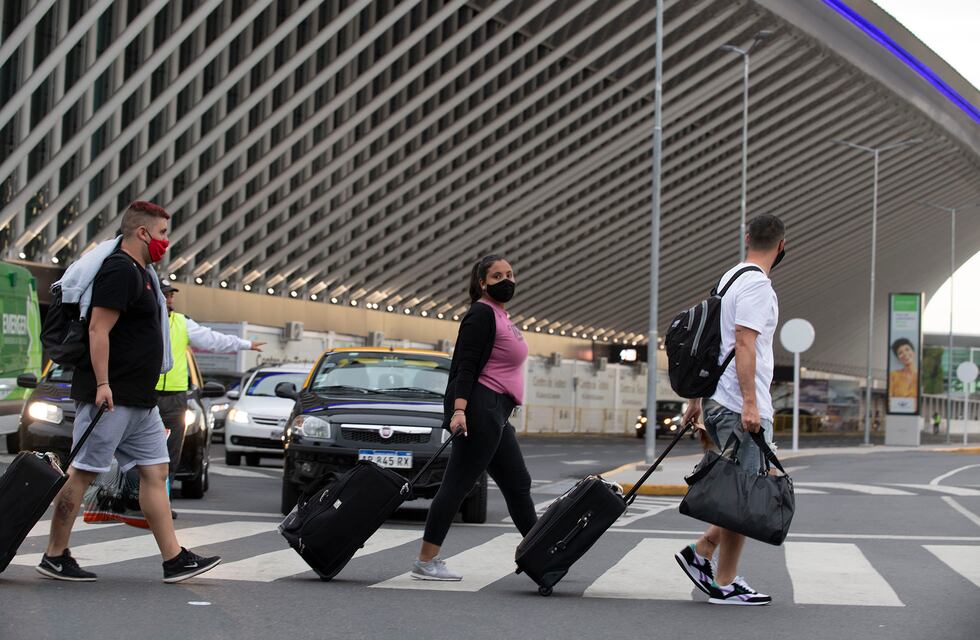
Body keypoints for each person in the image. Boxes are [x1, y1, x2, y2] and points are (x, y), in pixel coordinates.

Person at [37, 201, 221, 584]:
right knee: (82, 473)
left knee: (156, 471)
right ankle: (54, 554)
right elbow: (98, 329)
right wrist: (103, 384)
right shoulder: (120, 270)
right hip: (112, 396)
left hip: (140, 398)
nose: (166, 241)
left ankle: (174, 559)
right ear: (142, 232)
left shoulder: (145, 273)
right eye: (163, 233)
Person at [677, 214, 786, 606]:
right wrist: (751, 405)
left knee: (742, 488)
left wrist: (696, 400)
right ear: (781, 245)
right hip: (740, 405)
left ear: (747, 238)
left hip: (719, 400)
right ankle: (723, 582)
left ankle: (703, 552)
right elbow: (743, 342)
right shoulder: (757, 285)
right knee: (743, 497)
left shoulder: (729, 278)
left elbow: (708, 344)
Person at [411, 255, 538, 581]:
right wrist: (458, 411)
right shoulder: (480, 314)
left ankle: (542, 553)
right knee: (458, 484)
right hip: (480, 409)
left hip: (497, 412)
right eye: (497, 276)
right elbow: (465, 367)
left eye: (510, 274)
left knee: (518, 483)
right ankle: (426, 561)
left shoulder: (501, 315)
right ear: (482, 283)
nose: (506, 280)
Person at [156, 283, 265, 488]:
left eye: (171, 295)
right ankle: (133, 495)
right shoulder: (142, 320)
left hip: (175, 398)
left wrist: (245, 344)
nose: (169, 299)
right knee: (138, 450)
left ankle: (162, 497)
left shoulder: (181, 322)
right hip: (145, 396)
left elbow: (213, 340)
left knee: (170, 454)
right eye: (165, 295)